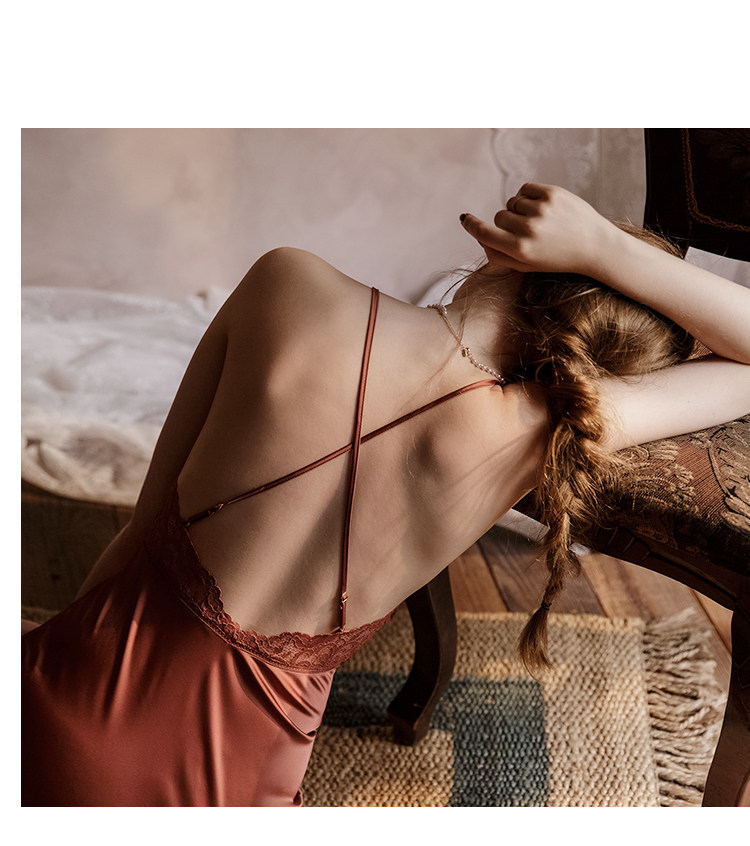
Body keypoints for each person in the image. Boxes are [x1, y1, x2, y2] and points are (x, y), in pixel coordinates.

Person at [21, 184, 750, 806]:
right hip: (235, 785)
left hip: (62, 705)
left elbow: (139, 530)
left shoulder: (288, 282)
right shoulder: (538, 434)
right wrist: (603, 249)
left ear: (508, 253)